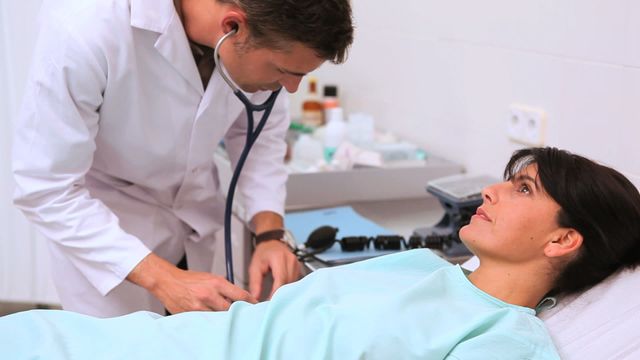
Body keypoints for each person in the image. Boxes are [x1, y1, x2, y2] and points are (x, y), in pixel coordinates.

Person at [3, 147, 639, 359]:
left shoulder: (507, 337)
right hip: (164, 342)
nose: (492, 190)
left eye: (522, 187)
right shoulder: (422, 266)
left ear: (563, 239)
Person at [11, 0, 354, 317]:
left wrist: (269, 234)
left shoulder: (263, 36)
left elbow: (259, 135)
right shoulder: (86, 28)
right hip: (109, 232)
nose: (291, 88)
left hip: (198, 220)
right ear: (233, 27)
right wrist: (164, 279)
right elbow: (46, 187)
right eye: (283, 71)